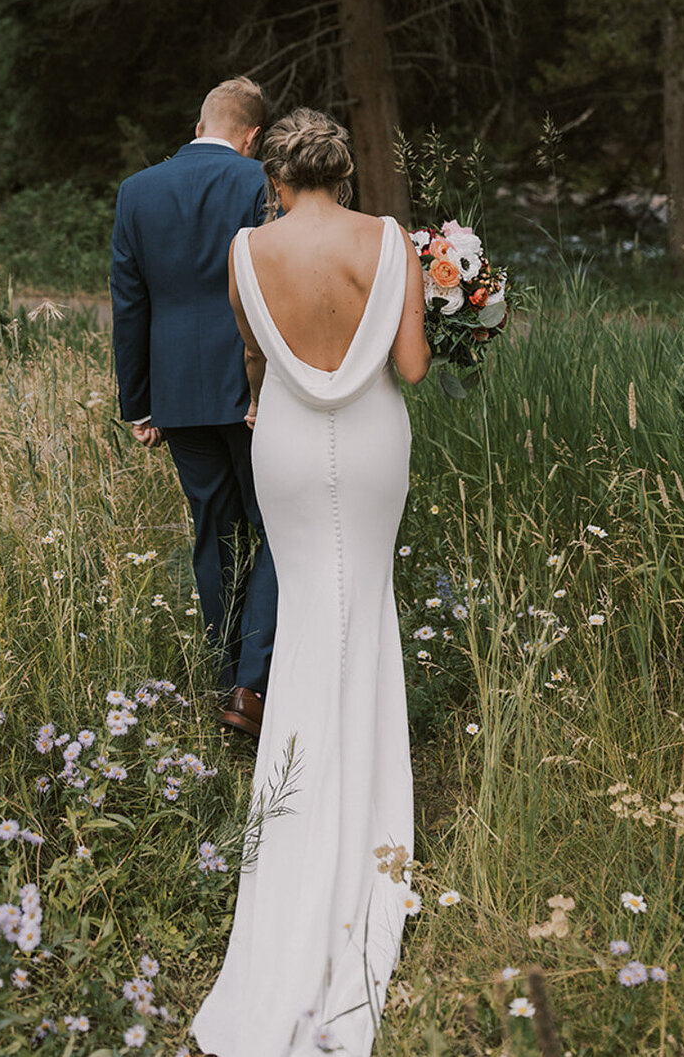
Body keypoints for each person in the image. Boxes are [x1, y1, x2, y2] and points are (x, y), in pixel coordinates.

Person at [191, 108, 430, 1057]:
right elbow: (407, 363)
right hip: (371, 446)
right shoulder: (389, 239)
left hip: (286, 448)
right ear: (345, 169)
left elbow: (260, 364)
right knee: (362, 615)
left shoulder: (250, 250)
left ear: (278, 177)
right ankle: (368, 821)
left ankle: (298, 819)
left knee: (305, 626)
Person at [110, 78, 278, 735]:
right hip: (253, 390)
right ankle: (252, 685)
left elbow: (131, 303)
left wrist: (139, 402)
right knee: (276, 531)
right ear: (251, 134)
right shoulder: (260, 182)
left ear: (198, 120)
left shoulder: (137, 191)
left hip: (177, 392)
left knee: (215, 532)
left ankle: (223, 673)